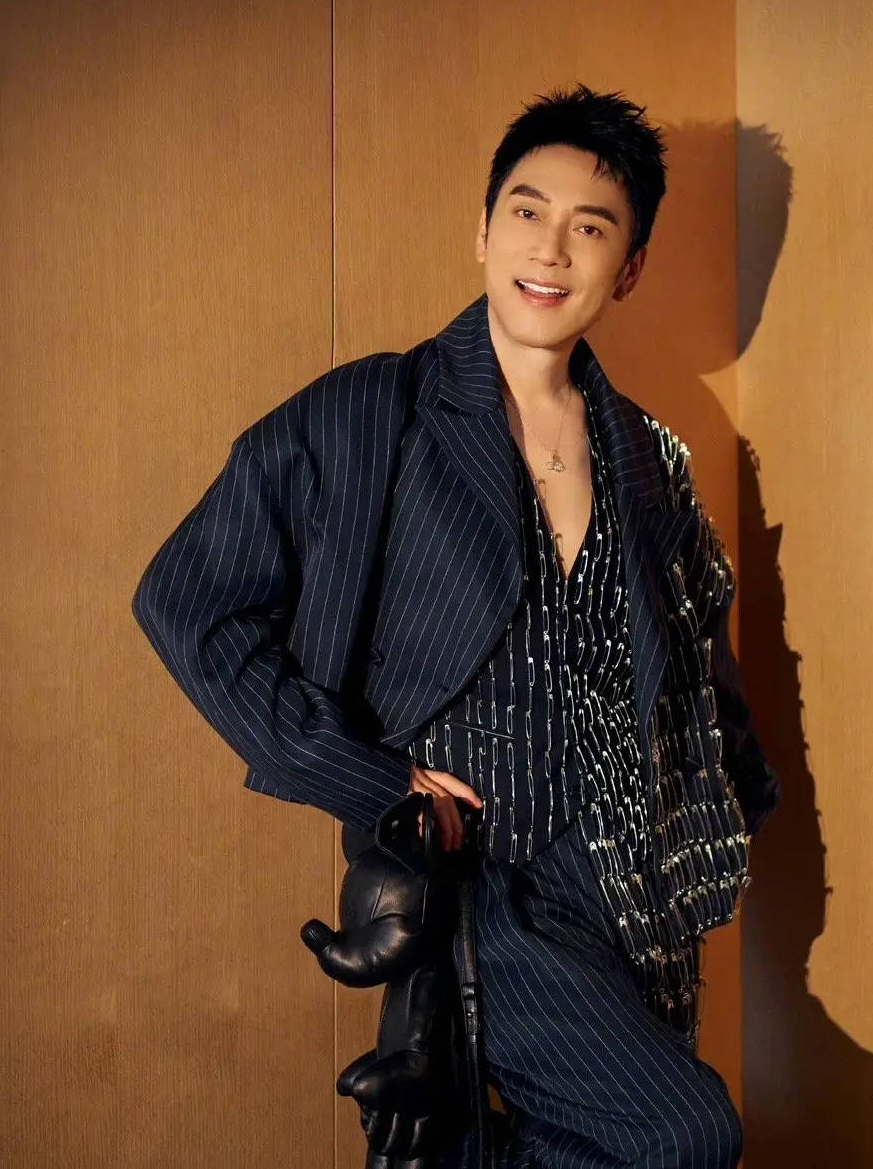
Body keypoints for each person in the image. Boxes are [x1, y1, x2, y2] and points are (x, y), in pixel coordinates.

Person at [131, 83, 781, 1167]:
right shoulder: (370, 412)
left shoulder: (648, 456)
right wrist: (370, 781)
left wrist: (728, 814)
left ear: (628, 268)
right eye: (527, 211)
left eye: (590, 228)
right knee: (684, 1132)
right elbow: (185, 598)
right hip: (484, 886)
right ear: (483, 230)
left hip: (634, 887)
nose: (550, 248)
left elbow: (698, 668)